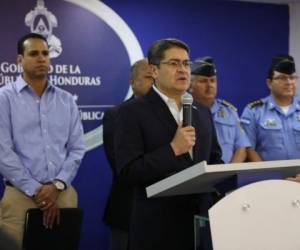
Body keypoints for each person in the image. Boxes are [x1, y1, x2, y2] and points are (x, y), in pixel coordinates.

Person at [114, 38, 223, 250]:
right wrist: (173, 149)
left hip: (202, 224)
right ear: (154, 71)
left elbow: (214, 159)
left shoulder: (201, 111)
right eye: (174, 63)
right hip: (157, 229)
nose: (182, 70)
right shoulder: (131, 113)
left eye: (186, 64)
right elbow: (128, 172)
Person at [0, 33, 85, 248]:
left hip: (63, 195)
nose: (41, 58)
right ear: (20, 60)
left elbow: (76, 149)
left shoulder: (66, 100)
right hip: (20, 196)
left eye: (45, 53)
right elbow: (3, 151)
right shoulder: (4, 98)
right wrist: (37, 191)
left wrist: (56, 186)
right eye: (34, 53)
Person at [103, 58, 153, 250]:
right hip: (128, 208)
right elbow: (121, 165)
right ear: (132, 83)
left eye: (156, 77)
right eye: (148, 77)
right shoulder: (117, 115)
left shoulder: (171, 114)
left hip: (164, 213)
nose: (154, 83)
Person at [241, 55, 300, 181]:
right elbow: (248, 149)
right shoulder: (254, 111)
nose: (289, 82)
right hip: (268, 182)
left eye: (292, 77)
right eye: (282, 78)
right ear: (269, 83)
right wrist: (272, 177)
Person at [189, 57, 250, 163]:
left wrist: (229, 173)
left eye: (213, 81)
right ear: (190, 85)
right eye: (203, 81)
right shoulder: (185, 111)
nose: (209, 85)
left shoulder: (230, 112)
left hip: (227, 173)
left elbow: (241, 148)